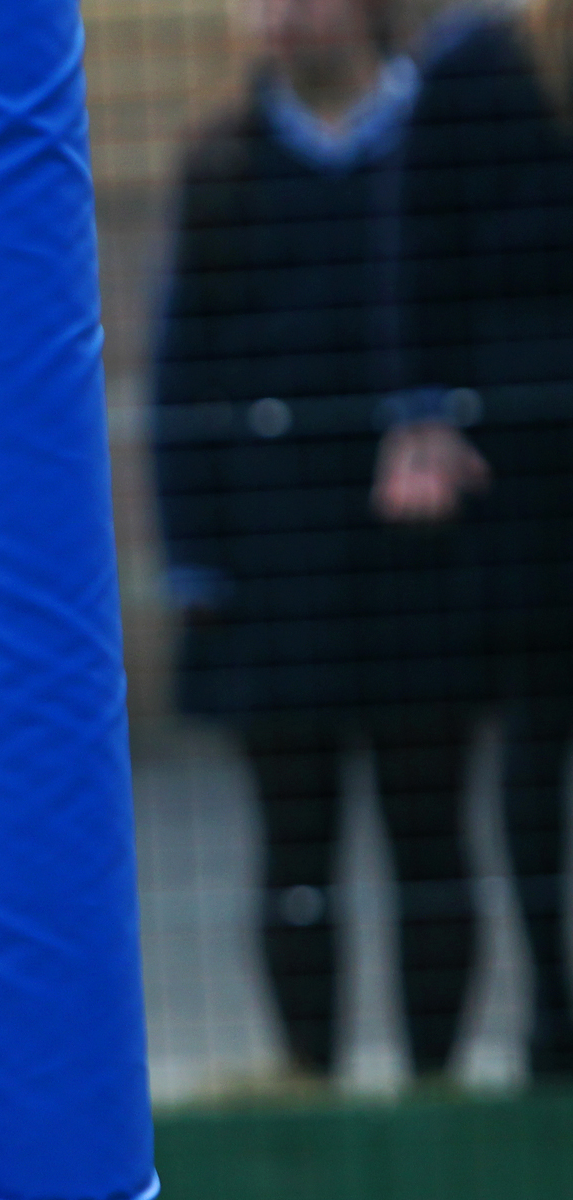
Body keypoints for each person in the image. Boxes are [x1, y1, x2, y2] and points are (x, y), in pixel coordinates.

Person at [153, 0, 482, 1081]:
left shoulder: (443, 146)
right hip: (271, 575)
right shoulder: (219, 170)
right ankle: (310, 1079)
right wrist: (197, 554)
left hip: (423, 567)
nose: (281, 12)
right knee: (295, 850)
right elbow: (178, 379)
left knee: (429, 834)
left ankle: (439, 1083)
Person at [400, 0, 573, 1078]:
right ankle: (553, 1015)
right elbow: (417, 258)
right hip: (524, 483)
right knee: (534, 743)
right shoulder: (473, 69)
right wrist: (424, 415)